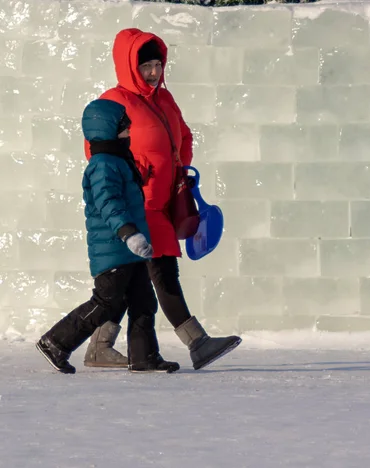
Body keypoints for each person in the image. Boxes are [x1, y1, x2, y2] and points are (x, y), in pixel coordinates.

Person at [82, 28, 241, 371]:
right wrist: (135, 170)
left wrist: (180, 168)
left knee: (134, 279)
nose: (154, 73)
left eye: (158, 65)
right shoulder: (113, 101)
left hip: (165, 201)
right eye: (146, 67)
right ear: (129, 66)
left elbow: (183, 135)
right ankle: (196, 342)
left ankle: (100, 345)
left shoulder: (165, 100)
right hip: (139, 203)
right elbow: (97, 149)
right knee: (164, 268)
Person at [36, 99, 179, 374]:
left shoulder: (119, 161)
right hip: (114, 246)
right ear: (107, 128)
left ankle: (143, 357)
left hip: (130, 248)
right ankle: (55, 342)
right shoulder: (102, 164)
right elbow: (109, 202)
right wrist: (128, 233)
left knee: (143, 301)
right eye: (123, 127)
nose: (129, 131)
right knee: (106, 302)